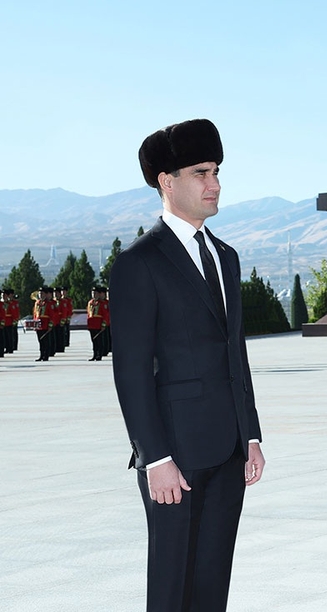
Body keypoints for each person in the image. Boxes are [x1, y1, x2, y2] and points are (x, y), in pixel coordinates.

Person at [110, 118, 265, 612]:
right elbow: (131, 371)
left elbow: (234, 352)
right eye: (201, 173)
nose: (214, 184)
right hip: (173, 455)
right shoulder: (140, 262)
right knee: (172, 585)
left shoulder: (227, 256)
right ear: (166, 182)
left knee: (212, 582)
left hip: (228, 452)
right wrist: (153, 458)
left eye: (217, 171)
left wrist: (252, 434)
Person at [87, 285, 110, 361]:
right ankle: (94, 354)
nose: (94, 295)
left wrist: (104, 324)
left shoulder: (102, 303)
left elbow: (105, 314)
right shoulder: (90, 302)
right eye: (93, 293)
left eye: (95, 293)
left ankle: (99, 354)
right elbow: (88, 313)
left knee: (99, 341)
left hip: (98, 324)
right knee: (94, 341)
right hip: (91, 325)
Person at [33, 286, 55, 362]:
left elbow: (52, 315)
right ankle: (41, 355)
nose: (40, 295)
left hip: (45, 324)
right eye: (39, 293)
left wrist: (50, 325)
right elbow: (35, 314)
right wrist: (34, 324)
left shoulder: (49, 303)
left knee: (46, 341)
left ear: (45, 294)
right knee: (40, 341)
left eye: (42, 293)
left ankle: (46, 355)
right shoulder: (37, 303)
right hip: (38, 324)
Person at [3, 288, 20, 353]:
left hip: (10, 320)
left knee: (12, 335)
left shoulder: (12, 303)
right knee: (6, 336)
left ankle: (12, 346)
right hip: (5, 321)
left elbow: (15, 312)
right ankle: (7, 347)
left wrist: (15, 320)